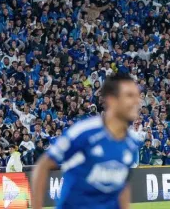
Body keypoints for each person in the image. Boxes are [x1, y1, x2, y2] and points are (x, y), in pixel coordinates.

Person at [31, 75, 141, 209]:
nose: (137, 101)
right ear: (112, 100)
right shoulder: (84, 132)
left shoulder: (132, 142)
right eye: (129, 95)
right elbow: (43, 165)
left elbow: (123, 185)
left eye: (137, 95)